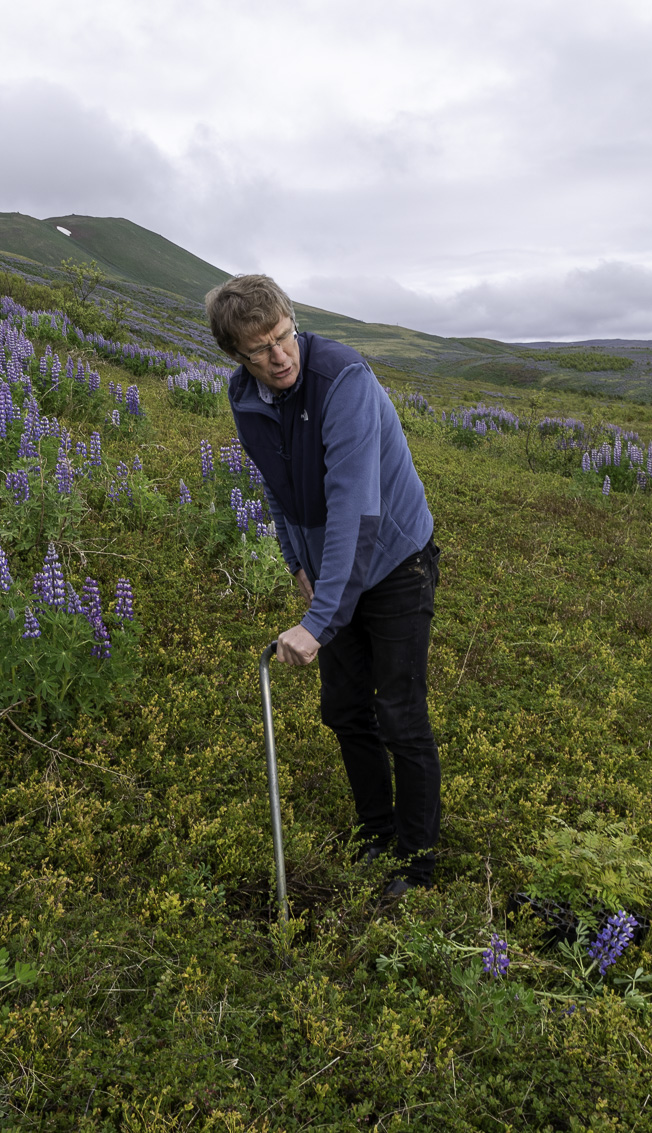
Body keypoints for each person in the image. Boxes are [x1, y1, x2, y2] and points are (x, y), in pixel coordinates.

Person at [207, 274, 442, 895]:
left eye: (284, 336)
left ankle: (418, 862)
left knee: (399, 712)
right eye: (260, 349)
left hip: (393, 561)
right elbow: (278, 493)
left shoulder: (344, 381)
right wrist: (297, 567)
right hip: (331, 568)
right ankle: (375, 829)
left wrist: (319, 621)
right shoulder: (245, 398)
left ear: (293, 321)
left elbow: (357, 510)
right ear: (237, 355)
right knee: (343, 708)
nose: (279, 356)